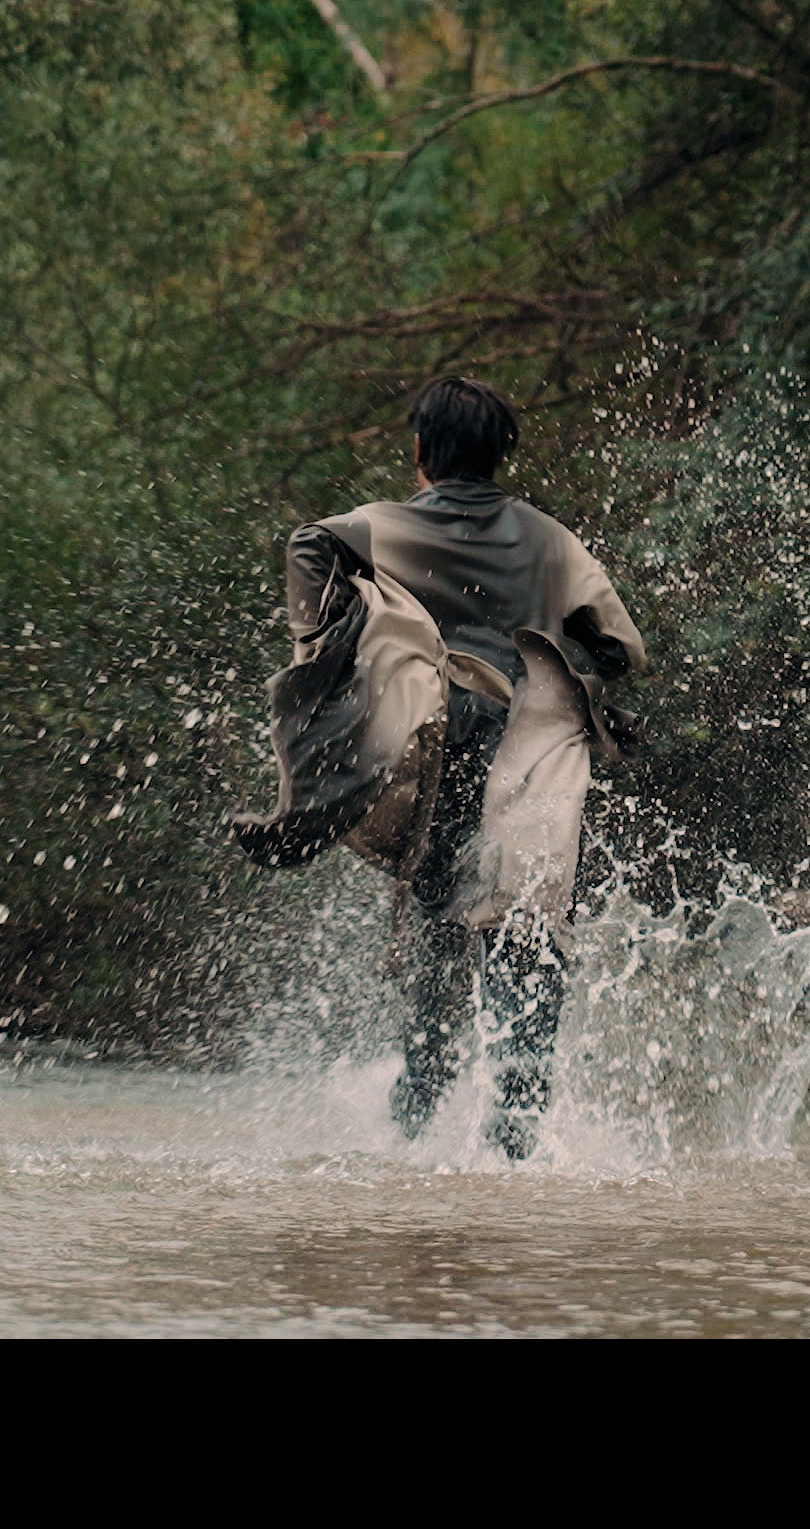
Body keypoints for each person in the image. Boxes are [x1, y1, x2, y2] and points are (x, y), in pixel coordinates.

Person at [229, 377, 645, 1159]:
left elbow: (308, 544)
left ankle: (413, 1144)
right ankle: (512, 1160)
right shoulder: (551, 540)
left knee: (436, 954)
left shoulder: (382, 528)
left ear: (420, 454)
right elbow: (620, 646)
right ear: (499, 457)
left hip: (436, 763)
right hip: (530, 767)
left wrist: (326, 645)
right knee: (528, 948)